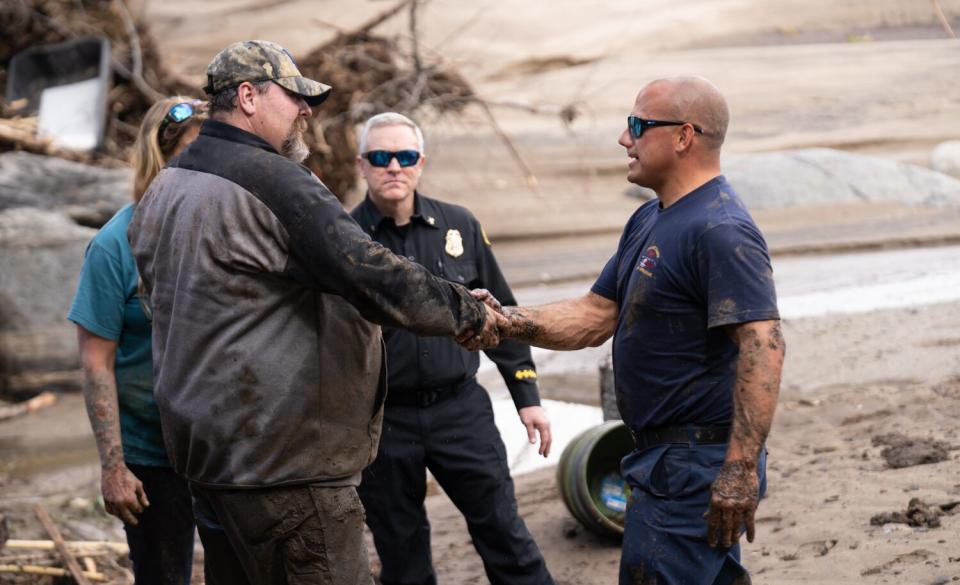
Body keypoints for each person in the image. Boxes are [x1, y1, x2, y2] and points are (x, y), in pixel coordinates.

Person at [126, 40, 501, 585]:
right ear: (249, 96)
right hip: (285, 466)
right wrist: (467, 311)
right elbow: (369, 273)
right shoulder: (272, 181)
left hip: (208, 460)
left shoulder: (167, 185)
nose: (306, 110)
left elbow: (157, 299)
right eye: (294, 96)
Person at [470, 77, 785, 585]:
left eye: (637, 125)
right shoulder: (651, 218)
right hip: (659, 458)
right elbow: (597, 313)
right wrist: (504, 322)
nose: (623, 138)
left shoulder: (721, 229)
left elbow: (763, 344)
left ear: (684, 137)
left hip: (693, 466)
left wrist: (740, 469)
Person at [350, 112, 555, 585]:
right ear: (362, 165)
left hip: (460, 411)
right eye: (381, 157)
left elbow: (502, 315)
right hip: (383, 421)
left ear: (421, 163)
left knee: (504, 533)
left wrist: (528, 399)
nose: (394, 167)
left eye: (406, 156)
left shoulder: (457, 225)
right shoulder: (345, 239)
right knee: (401, 556)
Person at [68, 96, 206, 585]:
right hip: (153, 456)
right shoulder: (114, 245)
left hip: (228, 449)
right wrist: (114, 467)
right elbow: (96, 362)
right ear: (161, 157)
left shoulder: (225, 231)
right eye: (193, 151)